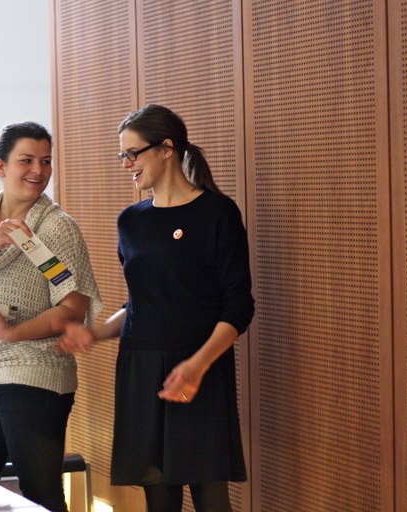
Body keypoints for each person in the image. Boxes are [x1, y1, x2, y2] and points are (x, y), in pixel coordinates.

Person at [56, 104, 255, 512]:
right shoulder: (131, 221)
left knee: (211, 497)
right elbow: (141, 303)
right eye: (122, 155)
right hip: (140, 369)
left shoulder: (217, 213)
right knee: (158, 499)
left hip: (199, 368)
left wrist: (198, 365)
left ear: (166, 149)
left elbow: (238, 305)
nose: (126, 163)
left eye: (133, 153)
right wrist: (95, 333)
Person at [0, 121, 102, 512]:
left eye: (45, 161)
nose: (38, 171)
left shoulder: (56, 226)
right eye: (26, 160)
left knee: (40, 492)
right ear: (0, 167)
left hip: (36, 372)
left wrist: (14, 333)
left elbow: (73, 307)